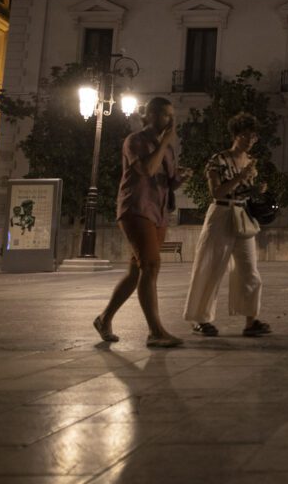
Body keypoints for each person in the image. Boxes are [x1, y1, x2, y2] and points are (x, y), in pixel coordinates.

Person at [94, 97, 191, 348]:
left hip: (158, 213)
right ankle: (155, 331)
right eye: (161, 114)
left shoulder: (168, 150)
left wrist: (180, 179)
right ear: (147, 116)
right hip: (135, 208)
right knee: (151, 265)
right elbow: (147, 170)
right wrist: (164, 143)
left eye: (170, 115)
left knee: (137, 270)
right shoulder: (135, 141)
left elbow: (168, 183)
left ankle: (104, 319)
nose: (167, 120)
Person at [183, 112, 271, 337]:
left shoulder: (251, 163)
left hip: (242, 215)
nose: (249, 140)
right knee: (210, 268)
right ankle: (199, 319)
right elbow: (216, 192)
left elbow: (243, 192)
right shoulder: (218, 160)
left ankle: (251, 321)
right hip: (221, 214)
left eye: (252, 137)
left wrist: (255, 189)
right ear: (235, 135)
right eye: (244, 136)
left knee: (250, 271)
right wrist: (241, 177)